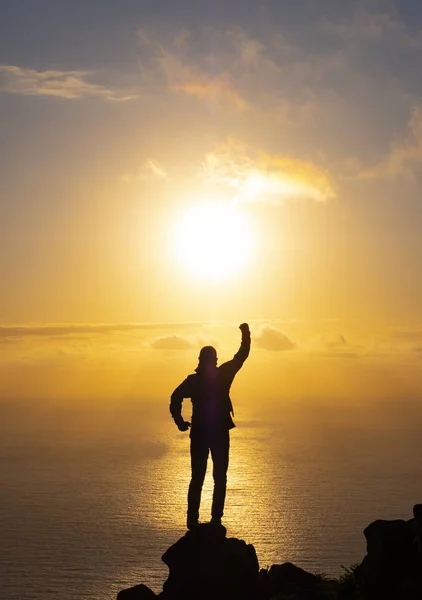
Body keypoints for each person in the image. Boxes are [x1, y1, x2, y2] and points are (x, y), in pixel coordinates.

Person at [170, 323, 251, 529]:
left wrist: (180, 422)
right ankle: (214, 519)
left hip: (201, 433)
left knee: (200, 477)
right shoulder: (222, 375)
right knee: (217, 477)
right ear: (214, 361)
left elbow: (175, 397)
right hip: (217, 433)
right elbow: (241, 356)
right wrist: (245, 334)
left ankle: (195, 520)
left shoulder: (194, 381)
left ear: (199, 361)